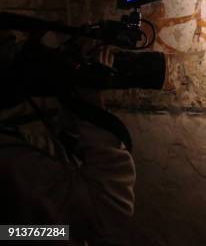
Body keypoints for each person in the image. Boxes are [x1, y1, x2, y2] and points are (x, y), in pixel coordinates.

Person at [0, 30, 136, 245]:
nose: (15, 55)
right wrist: (91, 105)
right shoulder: (10, 159)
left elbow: (10, 232)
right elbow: (108, 207)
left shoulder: (12, 135)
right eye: (7, 48)